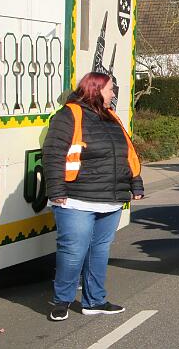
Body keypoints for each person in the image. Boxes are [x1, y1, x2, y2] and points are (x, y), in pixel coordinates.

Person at [43, 72, 144, 321]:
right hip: (76, 198)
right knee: (73, 251)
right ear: (95, 89)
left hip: (110, 199)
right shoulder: (69, 115)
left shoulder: (111, 117)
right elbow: (54, 154)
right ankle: (62, 300)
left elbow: (127, 153)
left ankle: (94, 301)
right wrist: (56, 192)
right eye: (110, 89)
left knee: (98, 252)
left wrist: (135, 183)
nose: (113, 94)